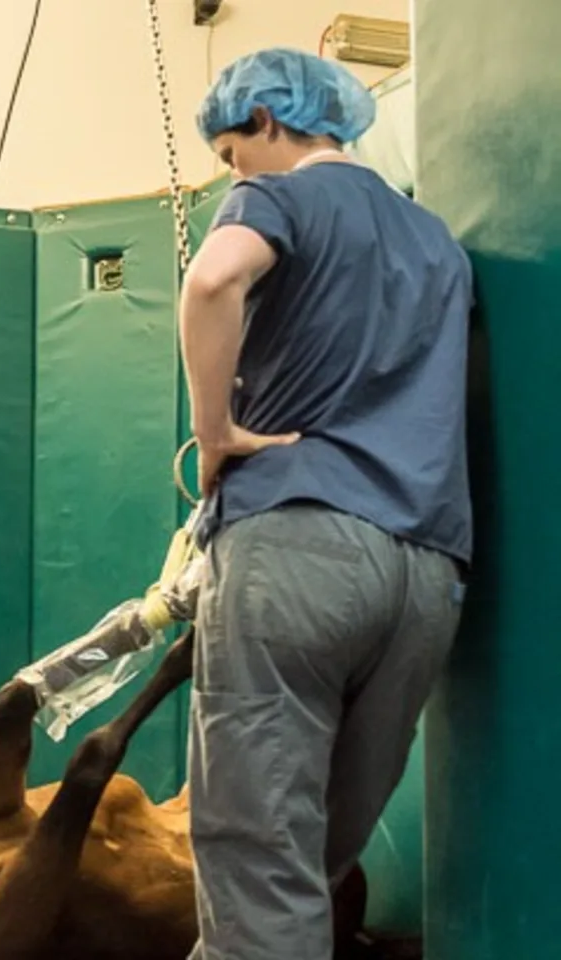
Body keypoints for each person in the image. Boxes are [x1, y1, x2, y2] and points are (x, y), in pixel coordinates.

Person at [179, 48, 473, 960]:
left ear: (268, 121)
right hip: (425, 576)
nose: (233, 170)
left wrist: (217, 430)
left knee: (260, 866)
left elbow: (212, 279)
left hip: (297, 544)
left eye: (231, 151)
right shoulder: (439, 243)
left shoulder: (277, 199)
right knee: (313, 855)